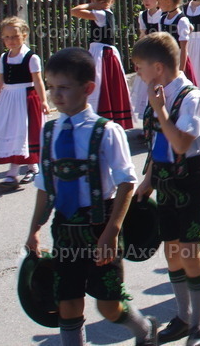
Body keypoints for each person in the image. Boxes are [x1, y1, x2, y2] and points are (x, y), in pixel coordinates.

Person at [26, 47, 154, 346]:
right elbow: (45, 185)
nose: (56, 95)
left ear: (88, 89)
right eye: (52, 87)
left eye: (64, 88)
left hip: (101, 227)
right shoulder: (49, 133)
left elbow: (126, 183)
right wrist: (34, 229)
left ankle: (144, 328)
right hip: (65, 230)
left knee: (109, 305)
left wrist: (111, 231)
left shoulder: (107, 131)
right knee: (67, 302)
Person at [133, 32, 200, 346]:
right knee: (172, 252)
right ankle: (182, 316)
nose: (136, 72)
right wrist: (148, 179)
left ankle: (199, 322)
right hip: (165, 178)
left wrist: (162, 111)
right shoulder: (158, 91)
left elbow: (180, 143)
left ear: (157, 67)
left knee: (190, 253)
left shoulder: (190, 97)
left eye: (139, 66)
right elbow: (158, 143)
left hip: (191, 178)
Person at [0, 16, 48, 185]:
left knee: (22, 134)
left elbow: (37, 81)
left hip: (25, 99)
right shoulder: (4, 58)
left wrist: (43, 101)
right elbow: (0, 81)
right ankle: (32, 168)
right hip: (8, 100)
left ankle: (14, 173)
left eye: (14, 36)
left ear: (24, 35)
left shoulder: (31, 58)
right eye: (6, 37)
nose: (10, 40)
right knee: (10, 132)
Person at [70, 0, 133, 130]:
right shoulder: (106, 13)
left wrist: (92, 4)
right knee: (103, 84)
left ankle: (101, 115)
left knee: (99, 84)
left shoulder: (101, 14)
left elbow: (75, 11)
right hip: (104, 51)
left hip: (101, 53)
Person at [132, 0, 163, 123]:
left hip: (160, 55)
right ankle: (148, 121)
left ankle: (160, 119)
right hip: (147, 55)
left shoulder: (163, 14)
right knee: (145, 88)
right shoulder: (143, 16)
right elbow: (142, 36)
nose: (145, 0)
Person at [156, 0, 197, 85]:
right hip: (166, 61)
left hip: (179, 62)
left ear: (168, 2)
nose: (158, 4)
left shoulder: (181, 20)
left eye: (159, 1)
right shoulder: (162, 19)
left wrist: (181, 71)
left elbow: (184, 49)